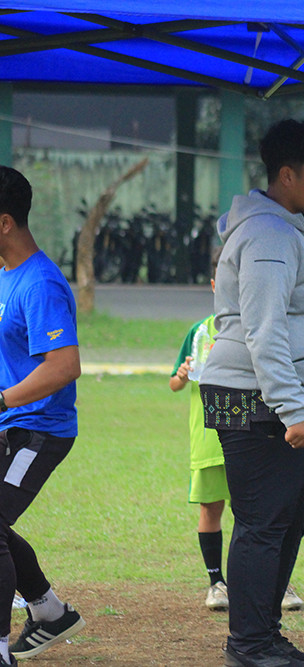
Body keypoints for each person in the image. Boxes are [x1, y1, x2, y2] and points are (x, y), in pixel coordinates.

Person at [199, 119, 304, 667]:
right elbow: (263, 326)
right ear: (287, 175)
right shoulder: (270, 236)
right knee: (263, 522)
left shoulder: (282, 226)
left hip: (275, 399)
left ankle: (264, 634)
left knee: (292, 511)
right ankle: (250, 646)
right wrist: (290, 408)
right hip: (260, 401)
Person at [169, 247, 304, 613]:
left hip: (257, 433)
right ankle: (217, 583)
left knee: (262, 512)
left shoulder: (269, 326)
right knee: (212, 508)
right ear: (218, 284)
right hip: (209, 437)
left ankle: (277, 582)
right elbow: (174, 381)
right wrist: (181, 376)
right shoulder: (200, 332)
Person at [0, 166, 85, 665]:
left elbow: (65, 366)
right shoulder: (8, 276)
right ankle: (50, 612)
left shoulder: (41, 284)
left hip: (39, 431)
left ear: (5, 222)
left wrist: (3, 400)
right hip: (13, 423)